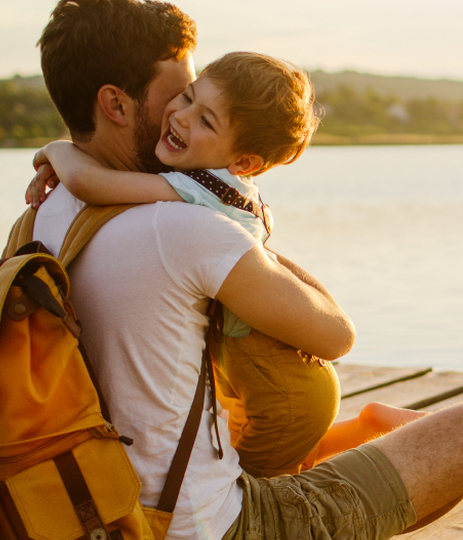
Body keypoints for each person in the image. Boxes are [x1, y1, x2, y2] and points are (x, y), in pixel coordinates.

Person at [24, 1, 463, 538]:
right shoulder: (180, 227)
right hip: (208, 525)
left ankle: (357, 430)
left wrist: (59, 150)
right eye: (178, 95)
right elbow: (335, 333)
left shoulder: (40, 218)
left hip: (93, 512)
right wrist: (248, 235)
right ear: (116, 104)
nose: (178, 115)